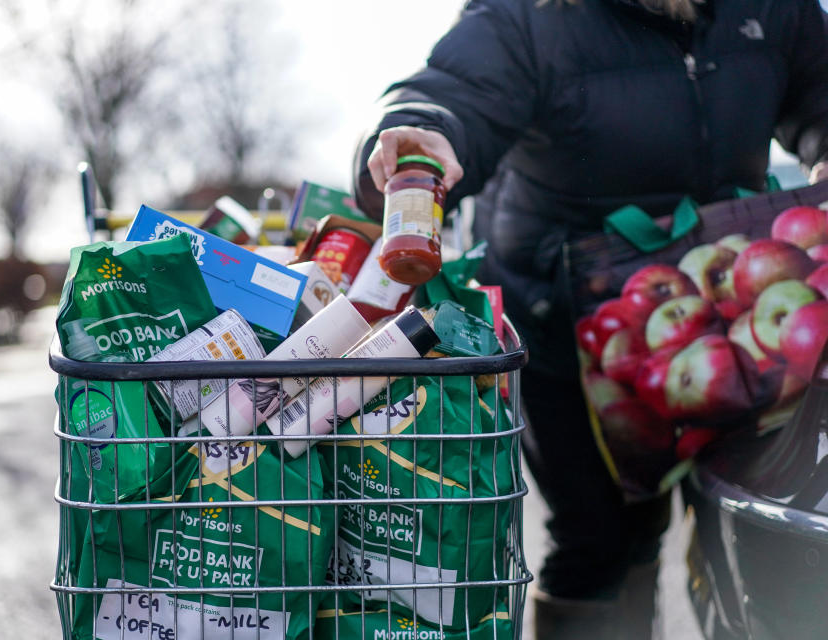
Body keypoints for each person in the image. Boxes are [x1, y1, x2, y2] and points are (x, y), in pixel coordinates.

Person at [351, 1, 828, 638]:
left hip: (740, 314)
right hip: (570, 332)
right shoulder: (530, 16)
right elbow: (451, 94)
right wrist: (417, 133)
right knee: (600, 546)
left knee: (742, 520)